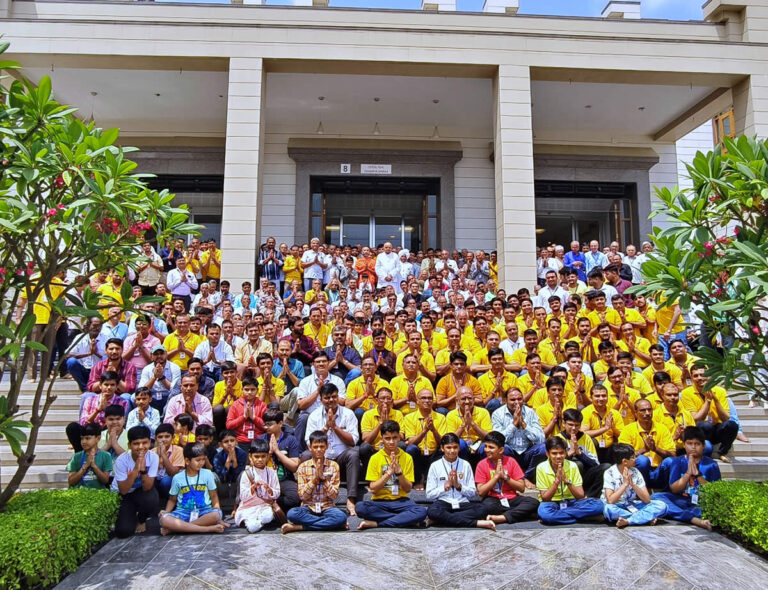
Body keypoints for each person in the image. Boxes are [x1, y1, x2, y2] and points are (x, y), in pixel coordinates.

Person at [356, 420, 428, 529]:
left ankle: (377, 523)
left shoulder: (407, 457)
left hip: (401, 501)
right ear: (382, 439)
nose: (391, 442)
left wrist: (399, 473)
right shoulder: (375, 458)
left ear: (399, 438)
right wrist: (388, 474)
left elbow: (408, 489)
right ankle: (404, 520)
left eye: (394, 438)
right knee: (360, 507)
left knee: (421, 511)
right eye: (387, 438)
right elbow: (373, 489)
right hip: (379, 502)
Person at [304, 383, 360, 515]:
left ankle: (351, 499)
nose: (330, 400)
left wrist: (335, 427)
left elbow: (353, 441)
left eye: (334, 397)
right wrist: (325, 428)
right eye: (327, 398)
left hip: (342, 456)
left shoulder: (348, 414)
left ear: (338, 396)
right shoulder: (314, 416)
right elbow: (309, 443)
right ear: (321, 399)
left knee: (354, 454)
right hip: (322, 458)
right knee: (306, 455)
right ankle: (307, 498)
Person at [651, 427, 720, 530]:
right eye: (690, 443)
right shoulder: (677, 462)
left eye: (697, 444)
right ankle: (693, 519)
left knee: (711, 508)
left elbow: (715, 492)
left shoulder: (711, 464)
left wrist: (698, 475)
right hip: (681, 500)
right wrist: (688, 474)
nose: (693, 447)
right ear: (684, 445)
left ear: (703, 446)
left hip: (701, 502)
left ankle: (685, 515)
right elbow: (674, 488)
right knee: (656, 497)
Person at [281, 430, 348, 534]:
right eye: (315, 447)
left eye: (322, 447)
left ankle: (300, 527)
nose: (319, 450)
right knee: (291, 514)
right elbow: (302, 496)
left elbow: (334, 496)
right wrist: (314, 481)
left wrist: (323, 480)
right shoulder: (303, 467)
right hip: (308, 507)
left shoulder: (334, 466)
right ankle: (330, 525)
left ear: (327, 447)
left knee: (341, 517)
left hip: (327, 507)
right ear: (310, 447)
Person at [425, 433, 495, 529]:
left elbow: (472, 493)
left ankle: (439, 520)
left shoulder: (465, 464)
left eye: (455, 447)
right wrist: (446, 486)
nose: (452, 451)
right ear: (442, 448)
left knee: (482, 509)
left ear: (459, 448)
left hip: (462, 503)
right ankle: (476, 523)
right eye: (448, 448)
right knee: (432, 511)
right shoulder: (435, 466)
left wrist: (459, 486)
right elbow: (429, 494)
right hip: (443, 502)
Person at [159, 442, 227, 535]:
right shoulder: (177, 477)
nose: (201, 463)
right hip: (183, 512)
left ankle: (177, 529)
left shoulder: (208, 474)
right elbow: (172, 499)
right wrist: (166, 512)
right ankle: (208, 529)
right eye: (198, 460)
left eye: (203, 459)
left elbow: (214, 496)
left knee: (216, 515)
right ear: (187, 461)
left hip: (204, 511)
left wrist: (218, 517)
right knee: (164, 519)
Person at [536, 437, 604, 525]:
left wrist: (566, 481)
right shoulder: (541, 467)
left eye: (561, 453)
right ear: (548, 454)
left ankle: (559, 517)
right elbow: (545, 498)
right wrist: (556, 482)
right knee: (544, 513)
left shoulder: (573, 466)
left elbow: (580, 496)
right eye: (554, 453)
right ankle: (584, 518)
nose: (558, 456)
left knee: (598, 505)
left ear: (565, 453)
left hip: (572, 502)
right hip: (552, 503)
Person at [475, 431, 539, 524]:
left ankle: (502, 517)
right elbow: (481, 492)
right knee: (485, 507)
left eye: (491, 447)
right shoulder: (482, 464)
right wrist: (496, 477)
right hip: (493, 499)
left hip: (511, 498)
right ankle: (517, 514)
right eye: (486, 446)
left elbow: (521, 488)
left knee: (533, 502)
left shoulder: (511, 461)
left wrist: (506, 478)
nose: (487, 450)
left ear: (501, 450)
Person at [602, 443, 667, 527]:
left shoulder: (636, 472)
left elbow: (647, 500)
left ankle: (628, 520)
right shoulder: (609, 473)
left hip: (632, 504)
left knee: (662, 505)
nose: (636, 459)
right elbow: (611, 500)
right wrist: (625, 484)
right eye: (633, 457)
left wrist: (633, 484)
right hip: (618, 506)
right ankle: (645, 518)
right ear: (624, 461)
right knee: (608, 509)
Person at [681, 365, 738, 462]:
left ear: (709, 376)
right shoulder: (686, 393)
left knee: (732, 425)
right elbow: (696, 418)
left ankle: (722, 452)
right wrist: (708, 401)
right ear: (691, 378)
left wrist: (715, 400)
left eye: (702, 375)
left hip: (717, 428)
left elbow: (725, 418)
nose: (699, 378)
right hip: (701, 430)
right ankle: (705, 450)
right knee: (704, 425)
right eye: (696, 376)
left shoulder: (720, 391)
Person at [112, 425, 160, 538]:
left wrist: (143, 471)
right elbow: (123, 490)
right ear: (129, 445)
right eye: (136, 443)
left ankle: (141, 519)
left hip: (140, 492)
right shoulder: (122, 460)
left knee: (152, 497)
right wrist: (135, 470)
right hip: (125, 494)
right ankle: (130, 515)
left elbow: (148, 487)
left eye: (145, 443)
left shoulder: (153, 457)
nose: (141, 447)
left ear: (150, 442)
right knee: (123, 532)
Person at [618, 399, 676, 489]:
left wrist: (655, 449)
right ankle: (641, 490)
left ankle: (665, 492)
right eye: (643, 410)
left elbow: (673, 455)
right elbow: (622, 457)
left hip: (657, 471)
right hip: (636, 472)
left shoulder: (662, 428)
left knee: (670, 461)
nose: (647, 413)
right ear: (636, 413)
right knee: (642, 460)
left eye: (649, 410)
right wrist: (644, 450)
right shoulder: (628, 430)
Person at [491, 387, 545, 482]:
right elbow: (497, 441)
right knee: (502, 449)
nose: (517, 402)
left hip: (526, 451)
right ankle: (512, 478)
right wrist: (514, 425)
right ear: (505, 400)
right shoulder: (497, 414)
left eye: (519, 399)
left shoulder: (530, 413)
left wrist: (524, 425)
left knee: (543, 448)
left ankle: (527, 477)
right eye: (512, 400)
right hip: (510, 451)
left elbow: (541, 439)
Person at [259, 408, 301, 511]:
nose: (266, 427)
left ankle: (274, 506)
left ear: (280, 423)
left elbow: (294, 467)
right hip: (264, 479)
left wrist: (277, 452)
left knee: (295, 498)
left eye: (270, 424)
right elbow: (256, 465)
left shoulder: (290, 440)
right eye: (265, 424)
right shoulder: (260, 440)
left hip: (284, 479)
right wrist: (269, 453)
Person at [445, 387, 493, 462]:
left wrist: (472, 424)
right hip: (462, 447)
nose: (467, 402)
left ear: (474, 400)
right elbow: (450, 440)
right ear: (457, 401)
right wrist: (464, 425)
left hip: (478, 444)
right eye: (463, 399)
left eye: (469, 398)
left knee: (487, 445)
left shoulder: (483, 412)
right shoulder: (451, 415)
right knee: (461, 443)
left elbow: (489, 437)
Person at [225, 375, 267, 450]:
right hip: (239, 440)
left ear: (257, 390)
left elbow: (266, 426)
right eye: (246, 390)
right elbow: (229, 425)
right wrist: (243, 417)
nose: (249, 392)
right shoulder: (235, 404)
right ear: (242, 390)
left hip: (258, 440)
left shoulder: (262, 405)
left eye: (252, 389)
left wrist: (253, 417)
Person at [65, 316, 106, 392]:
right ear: (87, 326)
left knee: (105, 359)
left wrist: (96, 353)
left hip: (99, 371)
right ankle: (85, 389)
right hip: (84, 369)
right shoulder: (79, 338)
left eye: (99, 326)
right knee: (71, 361)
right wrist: (88, 354)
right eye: (94, 326)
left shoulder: (106, 338)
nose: (96, 328)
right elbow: (67, 355)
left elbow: (111, 358)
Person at [66, 422, 112, 489]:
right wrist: (85, 466)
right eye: (82, 438)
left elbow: (105, 480)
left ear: (98, 438)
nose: (84, 442)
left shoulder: (106, 456)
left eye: (87, 438)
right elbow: (71, 482)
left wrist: (94, 466)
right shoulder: (76, 457)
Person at [213, 428, 248, 514]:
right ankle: (216, 505)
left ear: (236, 442)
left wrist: (235, 460)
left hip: (236, 485)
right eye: (226, 441)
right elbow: (221, 477)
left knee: (244, 474)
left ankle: (238, 505)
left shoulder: (242, 454)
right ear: (220, 444)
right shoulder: (218, 456)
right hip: (223, 485)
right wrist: (228, 461)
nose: (229, 444)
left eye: (232, 440)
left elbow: (238, 475)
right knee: (212, 475)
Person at [138, 345, 181, 412]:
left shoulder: (175, 368)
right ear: (151, 356)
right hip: (152, 395)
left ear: (166, 354)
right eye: (156, 354)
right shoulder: (147, 369)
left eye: (161, 353)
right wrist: (154, 377)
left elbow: (175, 389)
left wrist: (162, 377)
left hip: (168, 395)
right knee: (133, 398)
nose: (159, 356)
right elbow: (142, 389)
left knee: (175, 396)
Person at [151, 423, 185, 499]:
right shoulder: (152, 452)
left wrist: (163, 454)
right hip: (157, 478)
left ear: (173, 437)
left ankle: (172, 500)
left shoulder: (178, 450)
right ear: (155, 438)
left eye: (167, 437)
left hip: (172, 480)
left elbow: (173, 473)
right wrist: (158, 457)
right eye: (160, 437)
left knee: (165, 482)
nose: (163, 440)